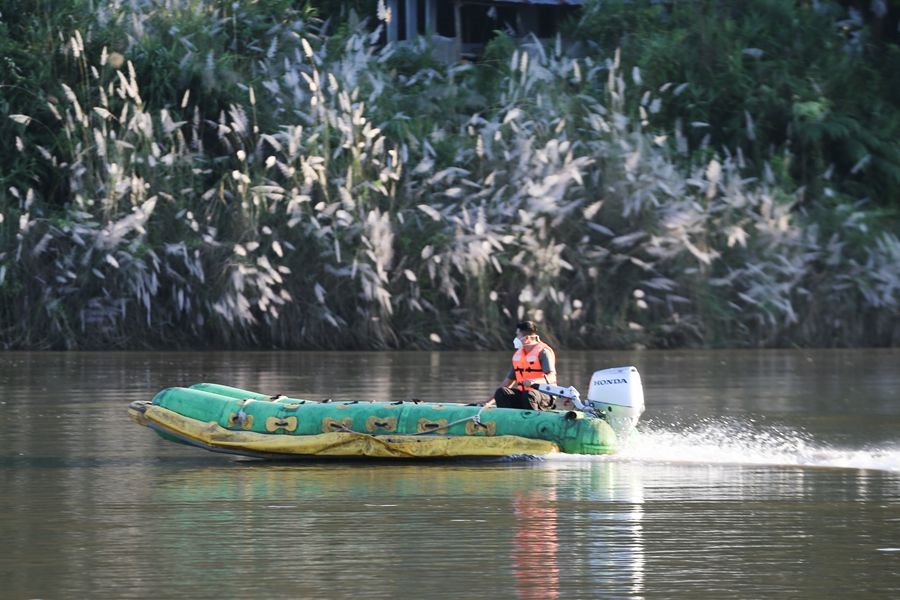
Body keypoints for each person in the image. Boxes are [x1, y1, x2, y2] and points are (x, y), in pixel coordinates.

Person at [486, 320, 557, 411]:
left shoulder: (544, 352)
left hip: (545, 397)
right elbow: (507, 383)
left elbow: (552, 377)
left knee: (528, 394)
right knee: (501, 392)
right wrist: (488, 402)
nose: (516, 338)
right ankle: (511, 420)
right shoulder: (518, 356)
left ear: (526, 338)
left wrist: (534, 381)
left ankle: (533, 421)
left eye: (518, 335)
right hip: (526, 395)